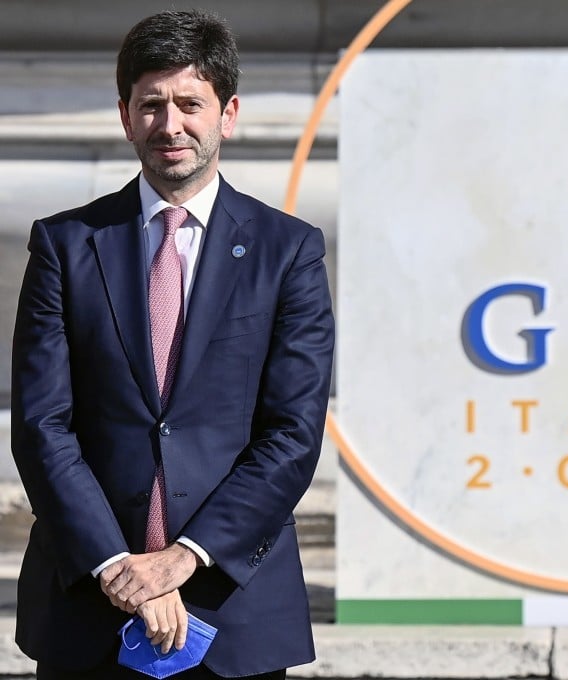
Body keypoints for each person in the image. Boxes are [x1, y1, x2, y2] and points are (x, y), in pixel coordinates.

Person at [10, 9, 334, 679]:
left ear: (229, 114)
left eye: (190, 102)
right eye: (151, 104)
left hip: (232, 606)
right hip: (90, 607)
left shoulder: (288, 251)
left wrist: (181, 558)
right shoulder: (65, 247)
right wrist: (116, 565)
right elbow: (43, 424)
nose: (171, 123)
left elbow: (292, 433)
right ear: (125, 116)